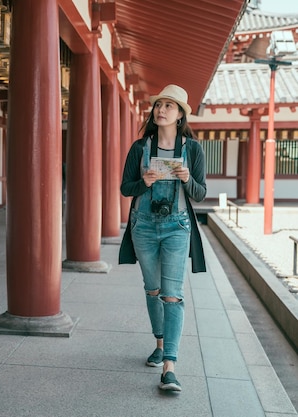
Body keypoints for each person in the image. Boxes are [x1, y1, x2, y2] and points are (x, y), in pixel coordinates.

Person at [118, 84, 207, 392]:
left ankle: (169, 365)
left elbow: (200, 193)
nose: (161, 110)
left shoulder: (192, 149)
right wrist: (143, 182)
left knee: (172, 294)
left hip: (177, 227)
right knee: (153, 289)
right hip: (142, 225)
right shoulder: (140, 147)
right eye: (159, 105)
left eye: (169, 106)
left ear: (180, 114)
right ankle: (159, 343)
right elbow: (125, 188)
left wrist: (188, 179)